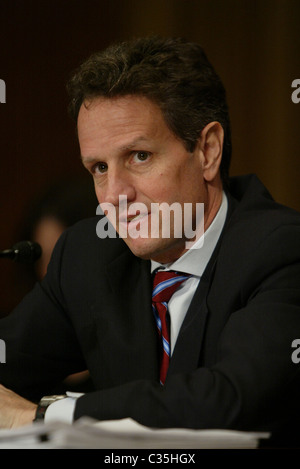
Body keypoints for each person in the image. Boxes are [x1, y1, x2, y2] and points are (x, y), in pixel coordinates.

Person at [0, 37, 299, 444]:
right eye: (100, 167)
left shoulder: (280, 250)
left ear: (207, 150)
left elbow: (231, 400)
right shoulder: (89, 254)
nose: (114, 196)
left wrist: (46, 415)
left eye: (139, 156)